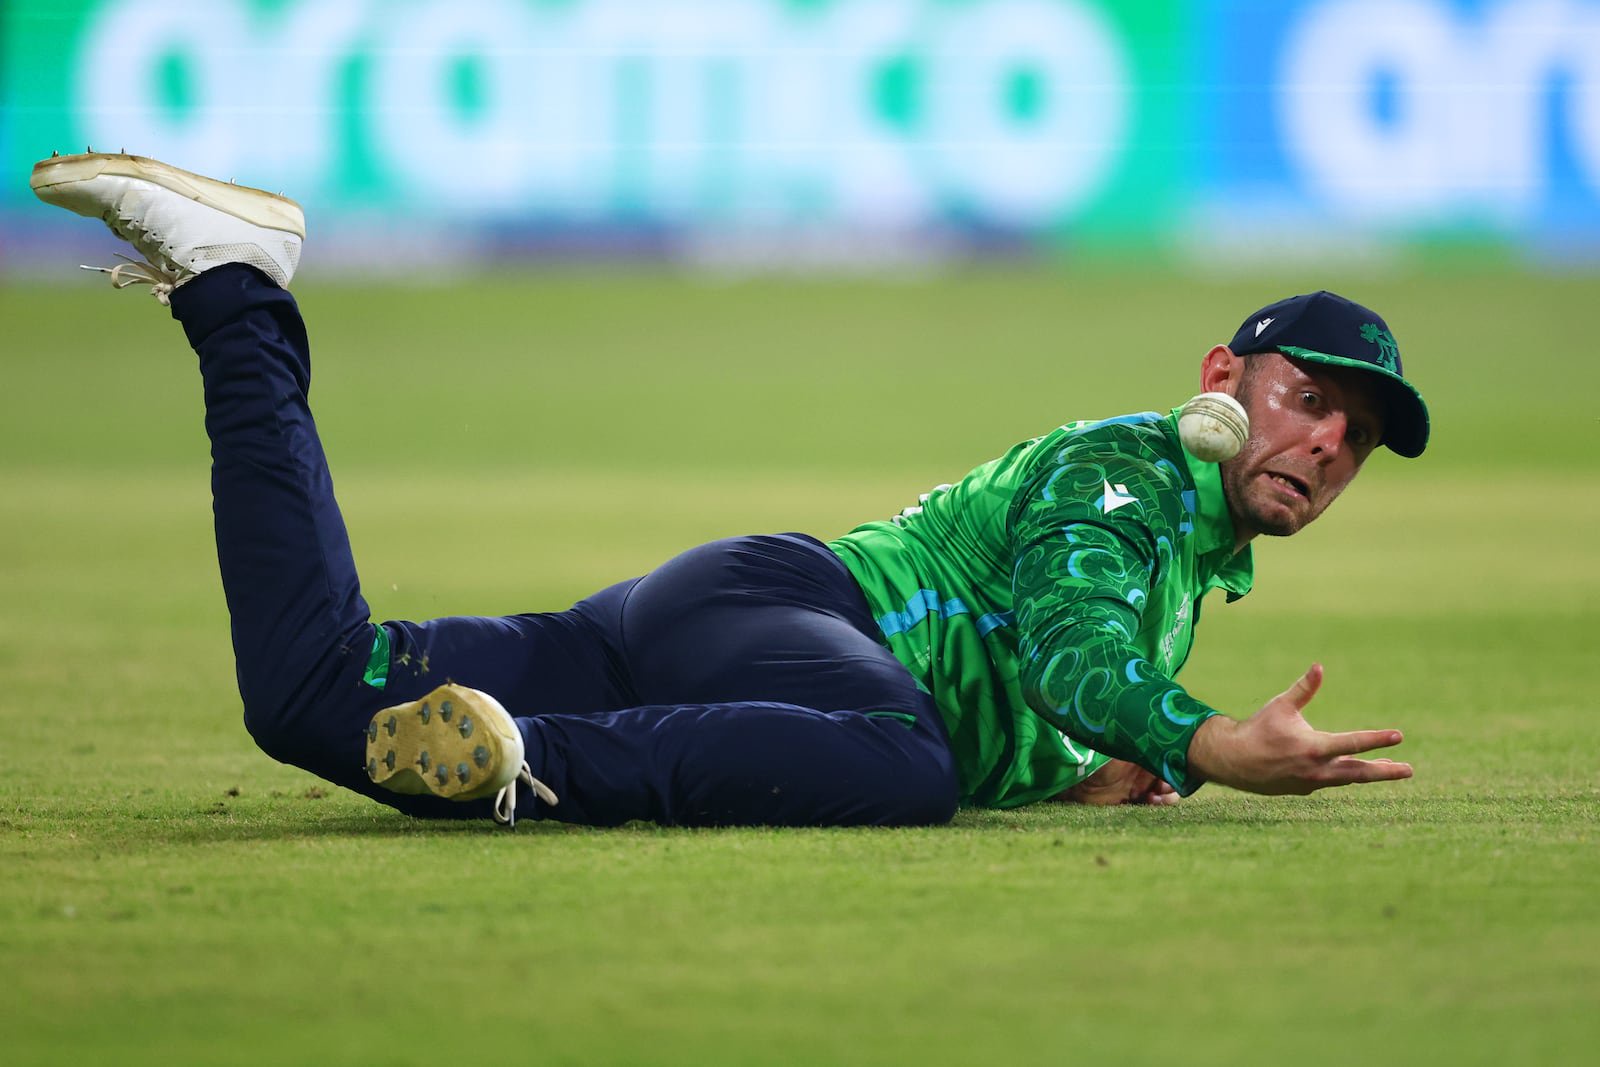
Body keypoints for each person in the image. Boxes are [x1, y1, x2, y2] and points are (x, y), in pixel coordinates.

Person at [31, 152, 1426, 829]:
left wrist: (1074, 771)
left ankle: (233, 290)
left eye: (1355, 439)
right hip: (796, 620)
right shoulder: (1127, 476)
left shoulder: (1188, 549)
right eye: (1308, 400)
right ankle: (532, 760)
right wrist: (1208, 743)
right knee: (908, 766)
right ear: (1222, 378)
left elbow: (1041, 676)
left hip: (720, 632)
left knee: (310, 696)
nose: (1325, 446)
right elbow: (1071, 652)